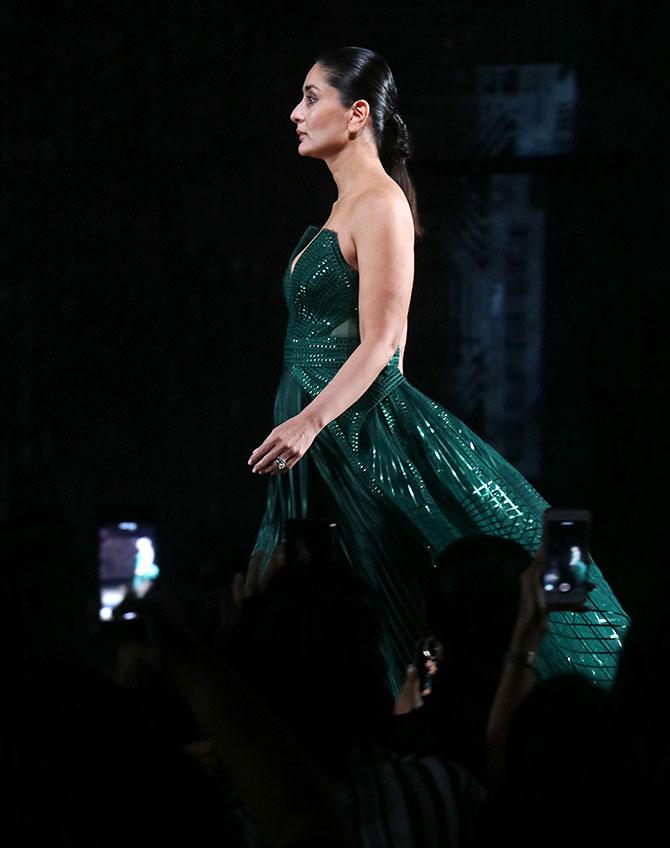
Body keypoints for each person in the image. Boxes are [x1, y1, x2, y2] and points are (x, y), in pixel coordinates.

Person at [247, 45, 629, 695]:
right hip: (323, 440)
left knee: (377, 603)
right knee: (304, 609)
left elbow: (385, 342)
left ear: (357, 113)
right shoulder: (345, 208)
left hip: (354, 438)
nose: (295, 112)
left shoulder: (379, 203)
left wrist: (311, 422)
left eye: (312, 97)